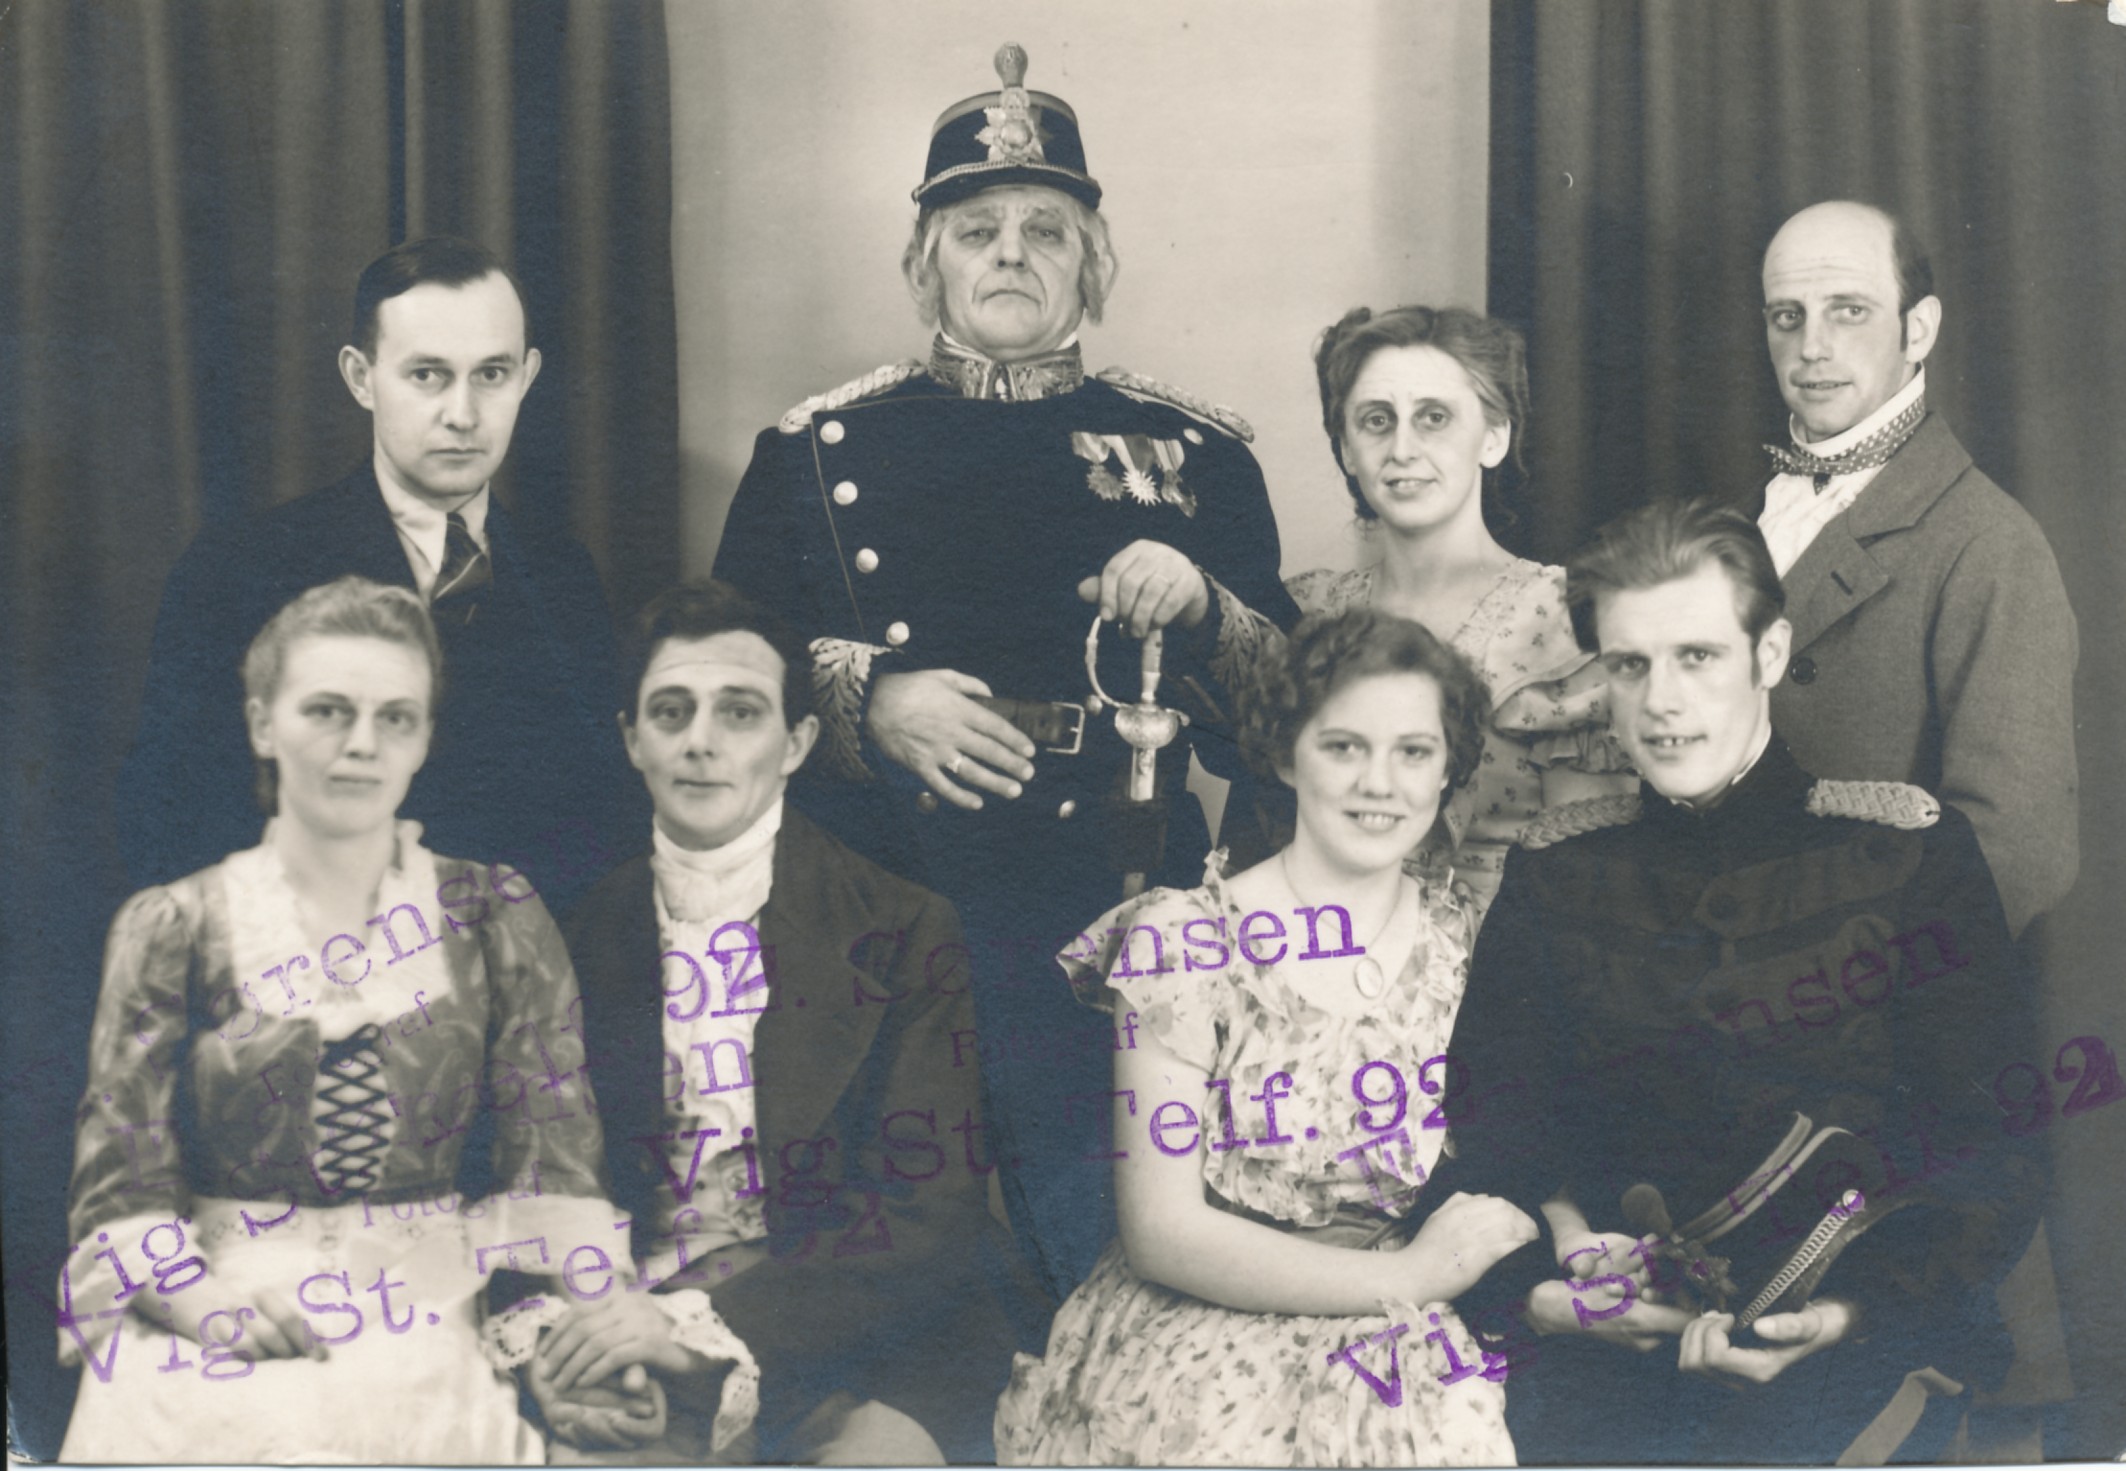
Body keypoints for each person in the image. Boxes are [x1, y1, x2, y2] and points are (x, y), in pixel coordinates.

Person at [712, 43, 1298, 1299]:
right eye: (977, 231)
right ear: (926, 260)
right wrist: (870, 702)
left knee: (1105, 1256)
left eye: (1046, 230)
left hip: (1110, 881)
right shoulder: (814, 449)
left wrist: (1202, 610)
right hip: (887, 881)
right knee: (887, 1256)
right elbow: (721, 680)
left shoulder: (1193, 452)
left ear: (1093, 260)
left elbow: (1287, 727)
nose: (1011, 256)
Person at [1446, 499, 2047, 1464]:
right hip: (1598, 1365)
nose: (1661, 701)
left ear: (1769, 653)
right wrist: (1548, 1296)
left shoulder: (1909, 857)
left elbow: (1994, 1154)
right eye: (1629, 664)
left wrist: (1845, 1316)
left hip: (1849, 1360)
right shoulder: (1555, 872)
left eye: (1697, 656)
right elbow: (1494, 1140)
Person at [56, 577, 611, 1463]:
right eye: (327, 710)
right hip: (209, 1313)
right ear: (261, 723)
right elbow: (120, 1186)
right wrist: (204, 1306)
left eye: (396, 717)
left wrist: (592, 1336)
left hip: (426, 1315)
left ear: (424, 739)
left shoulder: (491, 914)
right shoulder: (174, 925)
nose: (362, 744)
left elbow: (555, 1167)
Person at [496, 581, 1044, 1464]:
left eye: (740, 712)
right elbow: (529, 1192)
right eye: (670, 711)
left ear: (797, 742)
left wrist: (694, 1327)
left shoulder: (902, 925)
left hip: (870, 1335)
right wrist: (556, 1351)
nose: (701, 741)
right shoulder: (573, 932)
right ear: (632, 738)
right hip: (635, 1329)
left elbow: (924, 1215)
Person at [993, 608, 1538, 1466]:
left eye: (1413, 751)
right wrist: (1408, 1278)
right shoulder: (1185, 938)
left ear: (1448, 770)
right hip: (1200, 1332)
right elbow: (1162, 1231)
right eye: (1344, 746)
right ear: (1287, 754)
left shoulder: (1458, 937)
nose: (1380, 782)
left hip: (1394, 1336)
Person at [117, 235, 634, 917]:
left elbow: (605, 819)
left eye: (491, 374)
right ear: (361, 378)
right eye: (427, 375)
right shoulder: (238, 570)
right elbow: (170, 823)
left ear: (528, 376)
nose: (462, 414)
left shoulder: (563, 574)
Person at [1748, 200, 2077, 938]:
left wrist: (1831, 980)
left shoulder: (1989, 542)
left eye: (1849, 311)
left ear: (1918, 328)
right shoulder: (1741, 519)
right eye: (1787, 316)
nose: (1812, 347)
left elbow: (2018, 850)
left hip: (1851, 981)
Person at [1269, 306, 1636, 924]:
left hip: (1504, 966)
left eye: (1434, 418)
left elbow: (1593, 894)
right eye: (1376, 421)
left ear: (1494, 437)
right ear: (1347, 450)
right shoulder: (1307, 612)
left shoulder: (1564, 621)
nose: (1402, 450)